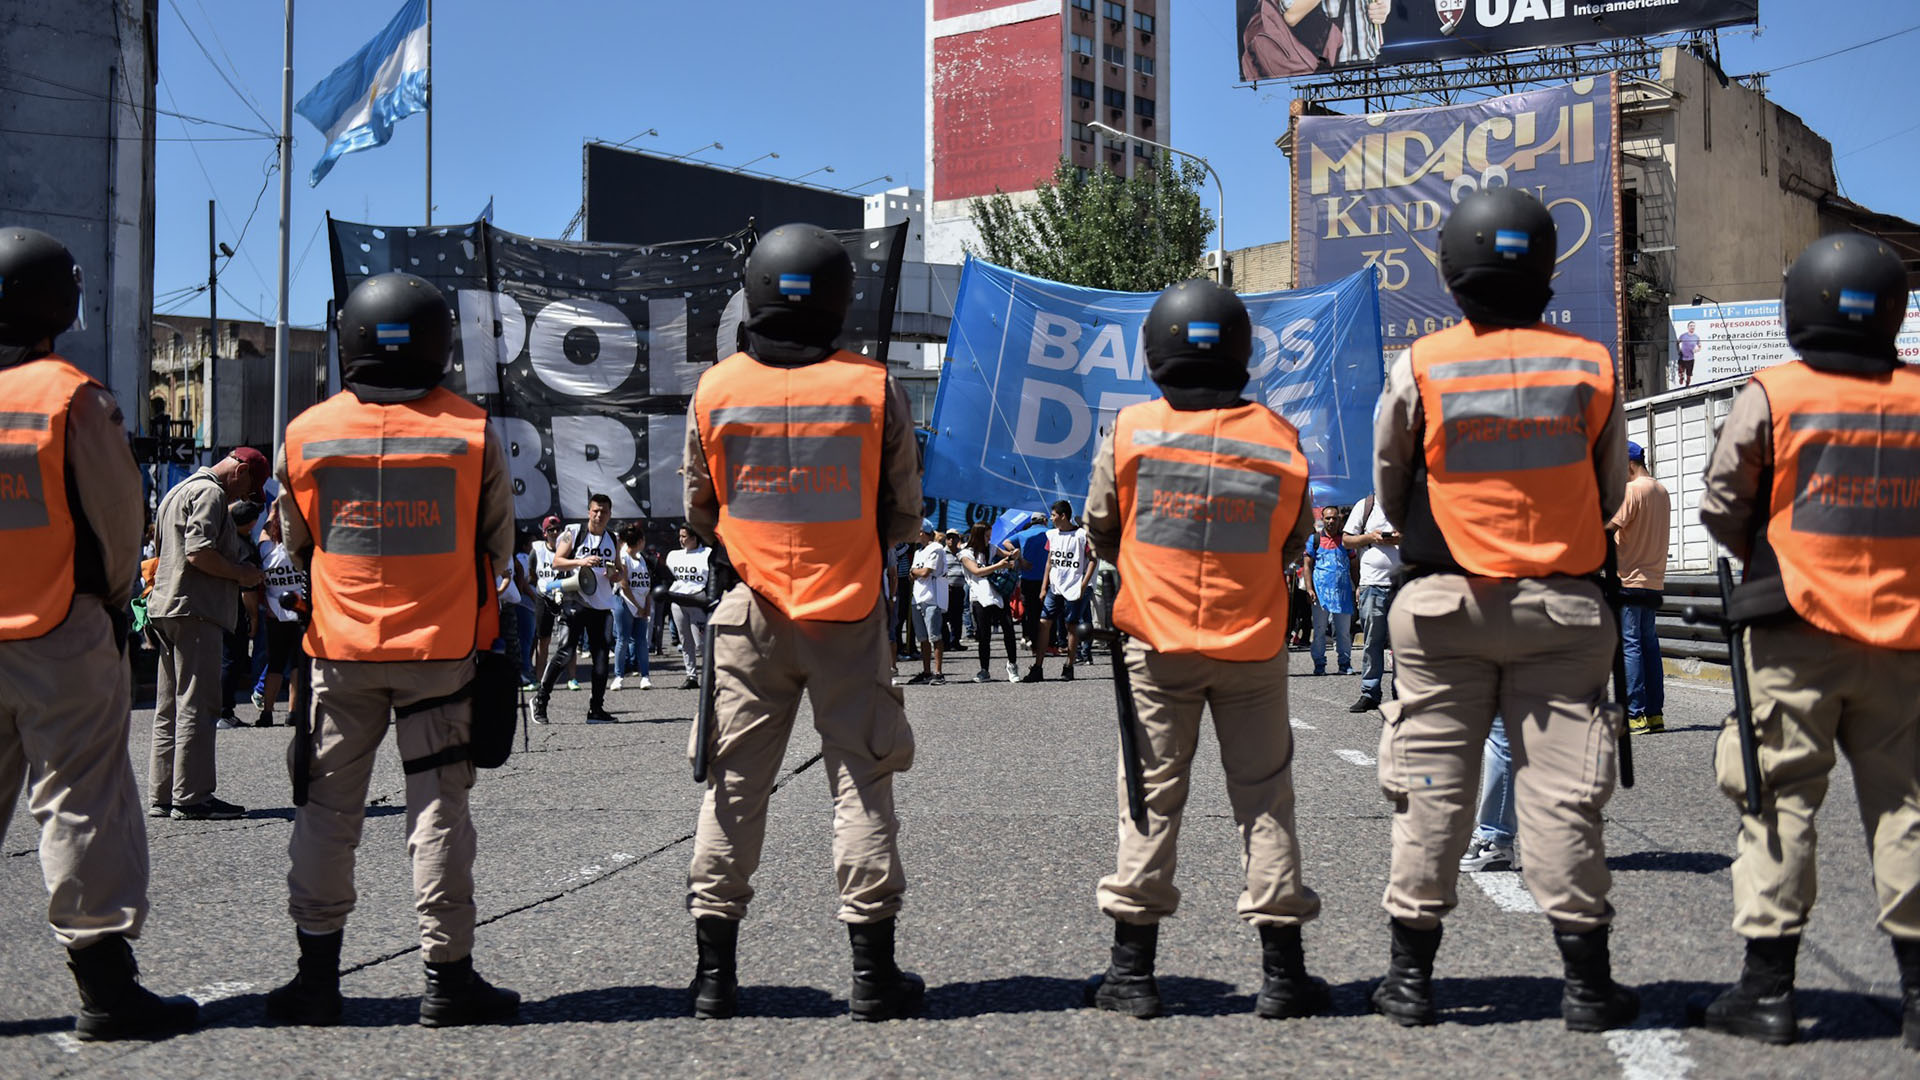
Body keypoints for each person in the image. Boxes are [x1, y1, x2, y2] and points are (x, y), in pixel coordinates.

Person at [1368, 187, 1637, 1032]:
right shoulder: (1590, 365)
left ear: (1451, 273)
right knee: (1562, 796)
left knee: (1433, 789)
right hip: (1563, 610)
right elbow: (1611, 492)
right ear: (1549, 266)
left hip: (1443, 606)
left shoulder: (1422, 363)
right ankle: (1588, 987)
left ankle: (1410, 981)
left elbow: (1390, 478)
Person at [681, 223, 925, 1021]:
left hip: (749, 612)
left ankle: (714, 977)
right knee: (862, 784)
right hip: (848, 612)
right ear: (838, 301)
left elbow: (699, 509)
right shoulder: (872, 387)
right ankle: (872, 975)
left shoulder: (714, 389)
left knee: (734, 789)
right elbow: (902, 514)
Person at [265, 271, 519, 1028]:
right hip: (441, 655)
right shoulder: (470, 432)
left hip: (340, 655)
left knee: (324, 811)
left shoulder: (307, 433)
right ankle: (448, 980)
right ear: (439, 345)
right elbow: (497, 548)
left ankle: (315, 978)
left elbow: (294, 541)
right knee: (438, 813)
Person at [1690, 234, 1920, 1051]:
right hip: (1907, 639)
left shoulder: (1777, 391)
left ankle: (1768, 993)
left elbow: (1723, 496)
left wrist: (1763, 547)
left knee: (1777, 800)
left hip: (1793, 628)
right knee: (1908, 810)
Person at [1082, 278, 1327, 1020]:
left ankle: (1132, 973)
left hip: (1155, 647)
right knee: (1265, 801)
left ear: (1154, 351)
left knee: (1150, 799)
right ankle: (1282, 975)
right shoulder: (1279, 437)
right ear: (1242, 353)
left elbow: (1101, 524)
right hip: (1251, 645)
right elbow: (1295, 538)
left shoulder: (1131, 431)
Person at [0, 225, 199, 1040]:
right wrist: (115, 604)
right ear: (62, 304)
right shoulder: (70, 396)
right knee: (80, 802)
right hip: (59, 625)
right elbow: (122, 524)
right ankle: (106, 988)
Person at [148, 445, 267, 820]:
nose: (241, 499)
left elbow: (165, 549)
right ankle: (192, 796)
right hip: (196, 611)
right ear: (242, 470)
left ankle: (162, 794)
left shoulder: (177, 491)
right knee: (199, 706)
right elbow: (199, 552)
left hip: (166, 607)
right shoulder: (212, 493)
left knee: (169, 707)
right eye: (246, 490)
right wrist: (242, 574)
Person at [534, 493, 622, 725]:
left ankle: (596, 709)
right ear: (588, 511)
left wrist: (616, 574)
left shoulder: (613, 538)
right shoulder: (573, 533)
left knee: (602, 658)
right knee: (565, 653)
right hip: (575, 600)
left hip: (602, 606)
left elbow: (619, 571)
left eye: (604, 511)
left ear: (610, 514)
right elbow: (557, 561)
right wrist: (582, 562)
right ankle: (541, 701)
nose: (599, 515)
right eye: (595, 510)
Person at [1607, 441, 1670, 735]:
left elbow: (1607, 528)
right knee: (1649, 644)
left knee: (1630, 645)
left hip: (1628, 579)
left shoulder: (1631, 491)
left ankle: (1635, 715)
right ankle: (1655, 714)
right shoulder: (1661, 491)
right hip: (1654, 581)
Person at [1344, 490, 1402, 712]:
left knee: (1403, 644)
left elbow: (1425, 534)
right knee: (1372, 642)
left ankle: (1402, 694)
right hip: (1372, 585)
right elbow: (1348, 539)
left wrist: (1402, 537)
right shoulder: (1365, 505)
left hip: (1403, 585)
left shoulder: (1408, 502)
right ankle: (1370, 692)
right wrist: (1371, 537)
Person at [1022, 502, 1092, 682]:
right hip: (1055, 586)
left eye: (1053, 515)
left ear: (1063, 516)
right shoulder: (1052, 535)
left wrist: (1083, 585)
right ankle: (1038, 667)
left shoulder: (1081, 535)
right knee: (1044, 623)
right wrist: (1044, 586)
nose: (1050, 518)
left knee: (1071, 626)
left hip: (1074, 586)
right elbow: (1049, 561)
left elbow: (1093, 559)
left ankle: (1069, 666)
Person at [253, 510, 309, 727]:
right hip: (299, 610)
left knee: (275, 663)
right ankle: (293, 712)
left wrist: (274, 509)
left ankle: (267, 712)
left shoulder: (267, 551)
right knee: (297, 664)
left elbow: (263, 534)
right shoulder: (299, 551)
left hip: (274, 613)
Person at [218, 498, 266, 729]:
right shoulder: (244, 546)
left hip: (222, 605)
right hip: (236, 610)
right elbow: (247, 586)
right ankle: (224, 710)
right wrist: (254, 617)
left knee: (226, 659)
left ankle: (221, 710)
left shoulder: (225, 539)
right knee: (231, 660)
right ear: (251, 522)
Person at [960, 522, 1020, 683]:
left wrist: (1014, 554)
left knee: (1009, 629)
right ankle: (984, 670)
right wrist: (998, 565)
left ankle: (1012, 665)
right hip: (979, 596)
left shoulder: (992, 548)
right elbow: (977, 571)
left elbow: (1008, 555)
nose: (989, 539)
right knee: (984, 634)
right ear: (978, 535)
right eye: (986, 536)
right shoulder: (966, 553)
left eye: (990, 535)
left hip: (998, 594)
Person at [1305, 505, 1354, 676]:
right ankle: (1319, 664)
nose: (1331, 521)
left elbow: (1354, 565)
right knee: (1319, 630)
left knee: (1343, 632)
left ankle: (1345, 663)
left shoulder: (1347, 541)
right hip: (1320, 594)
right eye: (1327, 518)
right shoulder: (1314, 540)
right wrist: (1310, 588)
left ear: (1339, 520)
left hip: (1343, 593)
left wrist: (1358, 587)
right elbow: (1307, 565)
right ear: (1323, 519)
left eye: (1334, 518)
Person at [666, 525, 712, 690]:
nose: (681, 539)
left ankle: (710, 676)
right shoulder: (673, 555)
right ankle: (691, 676)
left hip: (697, 599)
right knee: (685, 641)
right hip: (677, 600)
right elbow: (670, 576)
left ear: (695, 537)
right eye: (680, 536)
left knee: (701, 642)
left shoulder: (706, 553)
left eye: (684, 536)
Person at [906, 519, 949, 685]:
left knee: (935, 636)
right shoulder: (919, 552)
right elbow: (913, 574)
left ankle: (938, 672)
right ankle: (926, 671)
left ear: (922, 532)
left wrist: (914, 571)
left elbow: (924, 572)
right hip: (918, 597)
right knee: (922, 637)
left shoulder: (936, 548)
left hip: (933, 597)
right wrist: (915, 572)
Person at [612, 521, 653, 690]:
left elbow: (647, 585)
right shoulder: (623, 557)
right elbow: (624, 585)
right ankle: (618, 676)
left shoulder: (641, 559)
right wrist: (638, 606)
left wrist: (647, 606)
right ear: (640, 541)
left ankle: (645, 676)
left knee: (641, 641)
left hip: (641, 604)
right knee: (622, 639)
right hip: (625, 603)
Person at [529, 516, 563, 688]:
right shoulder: (537, 550)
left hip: (564, 595)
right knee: (544, 640)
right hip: (544, 598)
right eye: (551, 530)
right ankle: (539, 678)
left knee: (567, 639)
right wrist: (542, 588)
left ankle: (572, 678)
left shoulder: (567, 549)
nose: (555, 533)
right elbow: (531, 573)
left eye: (557, 529)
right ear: (544, 533)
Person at [941, 529, 968, 651]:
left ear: (958, 539)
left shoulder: (962, 554)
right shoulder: (941, 553)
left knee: (957, 617)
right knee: (943, 617)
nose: (951, 540)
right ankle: (946, 642)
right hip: (946, 588)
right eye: (949, 537)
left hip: (959, 588)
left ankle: (955, 641)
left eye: (954, 537)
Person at [1677, 321, 1700, 388]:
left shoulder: (1696, 337)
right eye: (1691, 326)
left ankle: (1687, 385)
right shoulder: (1683, 335)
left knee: (1689, 376)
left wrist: (1696, 350)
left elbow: (1699, 346)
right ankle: (1681, 377)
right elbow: (1677, 342)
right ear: (1688, 327)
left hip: (1690, 359)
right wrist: (1678, 350)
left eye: (1693, 326)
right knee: (1680, 371)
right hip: (1682, 357)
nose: (1692, 327)